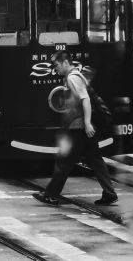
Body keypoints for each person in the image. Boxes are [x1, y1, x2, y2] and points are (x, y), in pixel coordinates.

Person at [33, 52, 118, 206]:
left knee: (64, 161)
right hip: (80, 126)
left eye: (57, 65)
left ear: (65, 62)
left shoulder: (73, 78)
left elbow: (85, 100)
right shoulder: (74, 77)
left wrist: (86, 123)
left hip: (79, 128)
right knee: (95, 160)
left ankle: (51, 195)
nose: (55, 69)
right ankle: (109, 193)